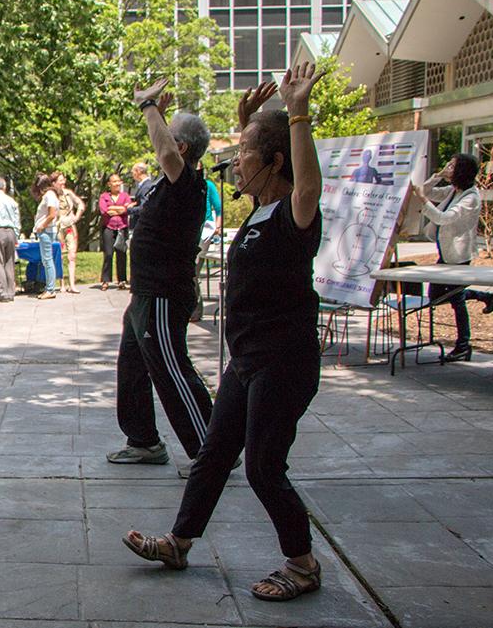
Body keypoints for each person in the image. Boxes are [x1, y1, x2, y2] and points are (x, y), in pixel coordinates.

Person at [123, 63, 328, 603]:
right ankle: (180, 542)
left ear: (275, 163)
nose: (235, 163)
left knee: (263, 467)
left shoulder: (295, 213)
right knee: (214, 454)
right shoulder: (261, 209)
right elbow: (266, 161)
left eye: (246, 155)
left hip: (284, 360)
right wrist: (249, 124)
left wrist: (298, 111)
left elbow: (306, 181)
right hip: (249, 359)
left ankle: (303, 564)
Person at [106, 80, 213, 468]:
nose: (160, 145)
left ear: (181, 149)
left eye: (169, 138)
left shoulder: (186, 184)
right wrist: (161, 117)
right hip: (145, 294)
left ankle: (209, 451)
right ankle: (144, 441)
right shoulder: (174, 184)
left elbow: (167, 152)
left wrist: (148, 105)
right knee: (133, 367)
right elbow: (169, 149)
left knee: (172, 370)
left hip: (164, 296)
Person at [411, 154, 493, 361]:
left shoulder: (470, 197)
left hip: (458, 255)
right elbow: (428, 190)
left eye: (452, 165)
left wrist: (423, 200)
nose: (448, 167)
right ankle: (483, 296)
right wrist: (438, 175)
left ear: (462, 171)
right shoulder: (452, 191)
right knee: (437, 296)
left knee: (455, 299)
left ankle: (463, 345)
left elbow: (443, 217)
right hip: (445, 252)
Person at [191, 163, 224, 321]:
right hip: (189, 232)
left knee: (194, 272)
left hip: (204, 232)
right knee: (189, 274)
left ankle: (196, 310)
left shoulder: (208, 185)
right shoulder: (185, 185)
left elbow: (218, 207)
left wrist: (217, 226)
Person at [51, 172, 85, 293]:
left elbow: (80, 203)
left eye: (63, 180)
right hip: (57, 228)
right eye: (59, 181)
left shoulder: (68, 193)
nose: (62, 182)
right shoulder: (51, 195)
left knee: (72, 255)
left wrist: (77, 216)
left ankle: (72, 284)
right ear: (54, 183)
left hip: (70, 226)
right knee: (59, 255)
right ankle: (62, 283)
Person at [99, 173, 133, 291]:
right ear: (109, 184)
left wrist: (118, 209)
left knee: (121, 253)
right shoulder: (104, 196)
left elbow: (128, 209)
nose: (117, 184)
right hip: (108, 227)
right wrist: (121, 209)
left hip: (122, 227)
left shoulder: (125, 196)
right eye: (114, 182)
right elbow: (105, 210)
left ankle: (122, 280)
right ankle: (106, 280)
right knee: (108, 254)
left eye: (118, 181)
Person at [31, 173, 60, 300]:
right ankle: (49, 287)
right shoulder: (50, 195)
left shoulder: (49, 196)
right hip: (46, 231)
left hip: (46, 231)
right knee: (46, 260)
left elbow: (52, 214)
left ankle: (50, 289)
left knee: (47, 260)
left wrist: (41, 226)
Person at [128, 162, 153, 235]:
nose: (132, 174)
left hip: (142, 227)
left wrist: (127, 210)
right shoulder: (143, 186)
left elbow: (144, 208)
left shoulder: (146, 187)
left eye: (133, 172)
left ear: (138, 171)